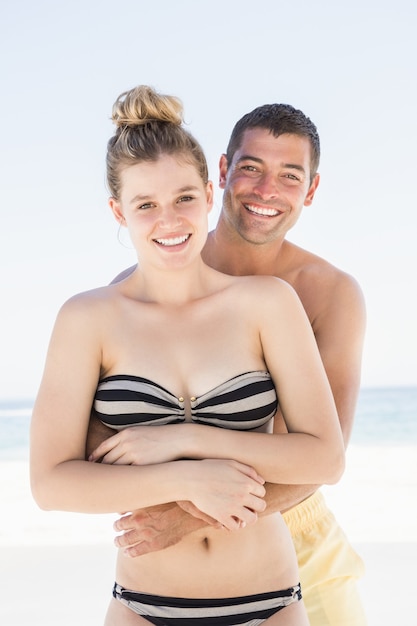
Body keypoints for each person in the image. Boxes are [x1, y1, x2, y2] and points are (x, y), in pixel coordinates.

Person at [30, 85, 345, 626]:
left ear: (207, 191)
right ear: (118, 212)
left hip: (268, 605)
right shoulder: (87, 319)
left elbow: (325, 458)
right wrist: (186, 480)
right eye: (145, 205)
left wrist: (183, 440)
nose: (169, 221)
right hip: (143, 608)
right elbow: (51, 483)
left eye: (182, 198)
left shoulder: (267, 304)